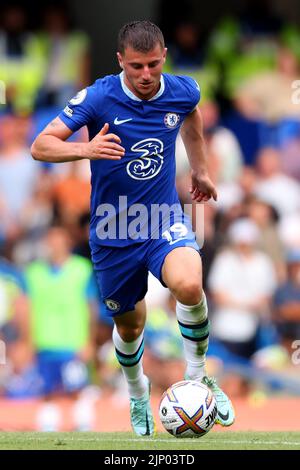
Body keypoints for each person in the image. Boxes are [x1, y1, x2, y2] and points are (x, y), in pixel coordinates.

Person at [31, 20, 235, 436]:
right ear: (120, 60)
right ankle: (137, 392)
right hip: (112, 228)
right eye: (137, 66)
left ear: (164, 59)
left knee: (190, 284)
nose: (146, 75)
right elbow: (40, 145)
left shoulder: (182, 90)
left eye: (154, 65)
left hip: (161, 219)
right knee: (129, 325)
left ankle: (198, 378)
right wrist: (85, 148)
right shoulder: (99, 96)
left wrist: (200, 169)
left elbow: (191, 117)